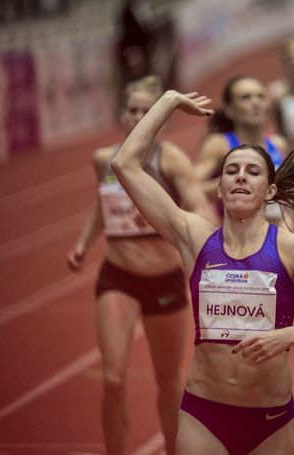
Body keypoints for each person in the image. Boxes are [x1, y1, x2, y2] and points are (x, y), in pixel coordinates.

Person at [110, 89, 294, 455]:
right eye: (231, 171)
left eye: (252, 172)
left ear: (270, 191)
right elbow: (125, 164)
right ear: (219, 188)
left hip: (271, 421)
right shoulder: (195, 238)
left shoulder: (291, 248)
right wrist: (168, 101)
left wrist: (289, 336)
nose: (241, 177)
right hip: (204, 414)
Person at [66, 76, 214, 455]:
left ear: (160, 119)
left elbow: (198, 203)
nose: (136, 117)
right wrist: (84, 243)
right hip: (118, 277)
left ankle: (172, 448)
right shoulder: (104, 160)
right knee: (113, 379)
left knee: (168, 383)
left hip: (164, 281)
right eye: (131, 110)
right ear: (122, 114)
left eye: (145, 111)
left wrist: (206, 239)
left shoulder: (171, 161)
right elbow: (102, 204)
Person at [194, 75, 288, 212]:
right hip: (238, 226)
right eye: (245, 98)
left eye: (261, 97)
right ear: (229, 110)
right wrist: (232, 182)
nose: (256, 103)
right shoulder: (219, 143)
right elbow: (190, 189)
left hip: (280, 226)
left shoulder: (279, 143)